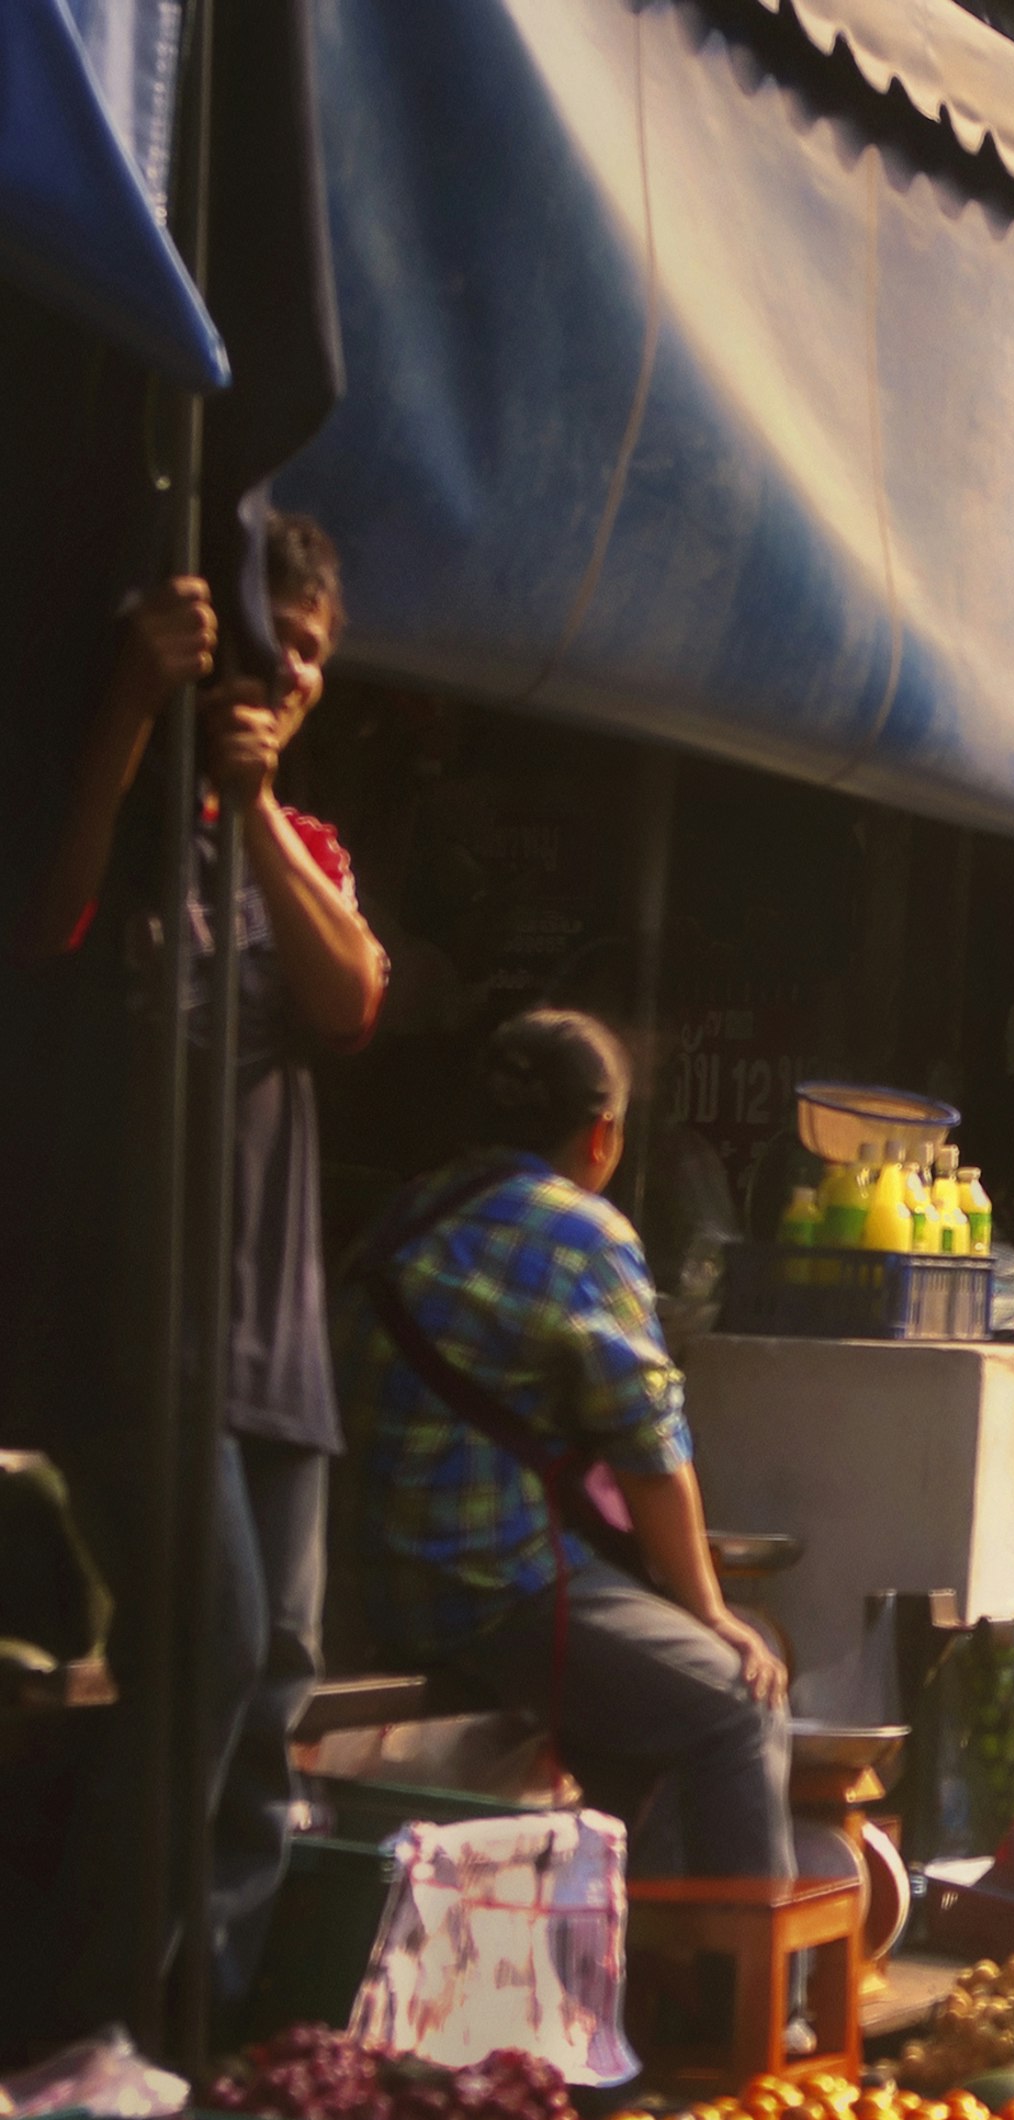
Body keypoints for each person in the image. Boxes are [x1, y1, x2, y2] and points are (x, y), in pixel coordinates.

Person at [24, 523, 389, 2004]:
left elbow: (353, 995)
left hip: (279, 1357)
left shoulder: (299, 848)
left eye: (312, 647)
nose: (289, 670)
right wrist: (126, 705)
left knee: (264, 1704)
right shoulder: (120, 813)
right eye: (269, 641)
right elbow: (43, 918)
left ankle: (204, 2040)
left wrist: (253, 811)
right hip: (140, 1338)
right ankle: (80, 2024)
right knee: (212, 1656)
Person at [353, 1012, 790, 1876]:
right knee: (740, 1701)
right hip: (501, 1596)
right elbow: (650, 1452)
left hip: (387, 1591)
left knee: (651, 1714)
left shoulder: (404, 1215)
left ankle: (628, 1962)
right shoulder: (582, 1233)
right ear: (602, 1134)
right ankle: (753, 2009)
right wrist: (710, 1610)